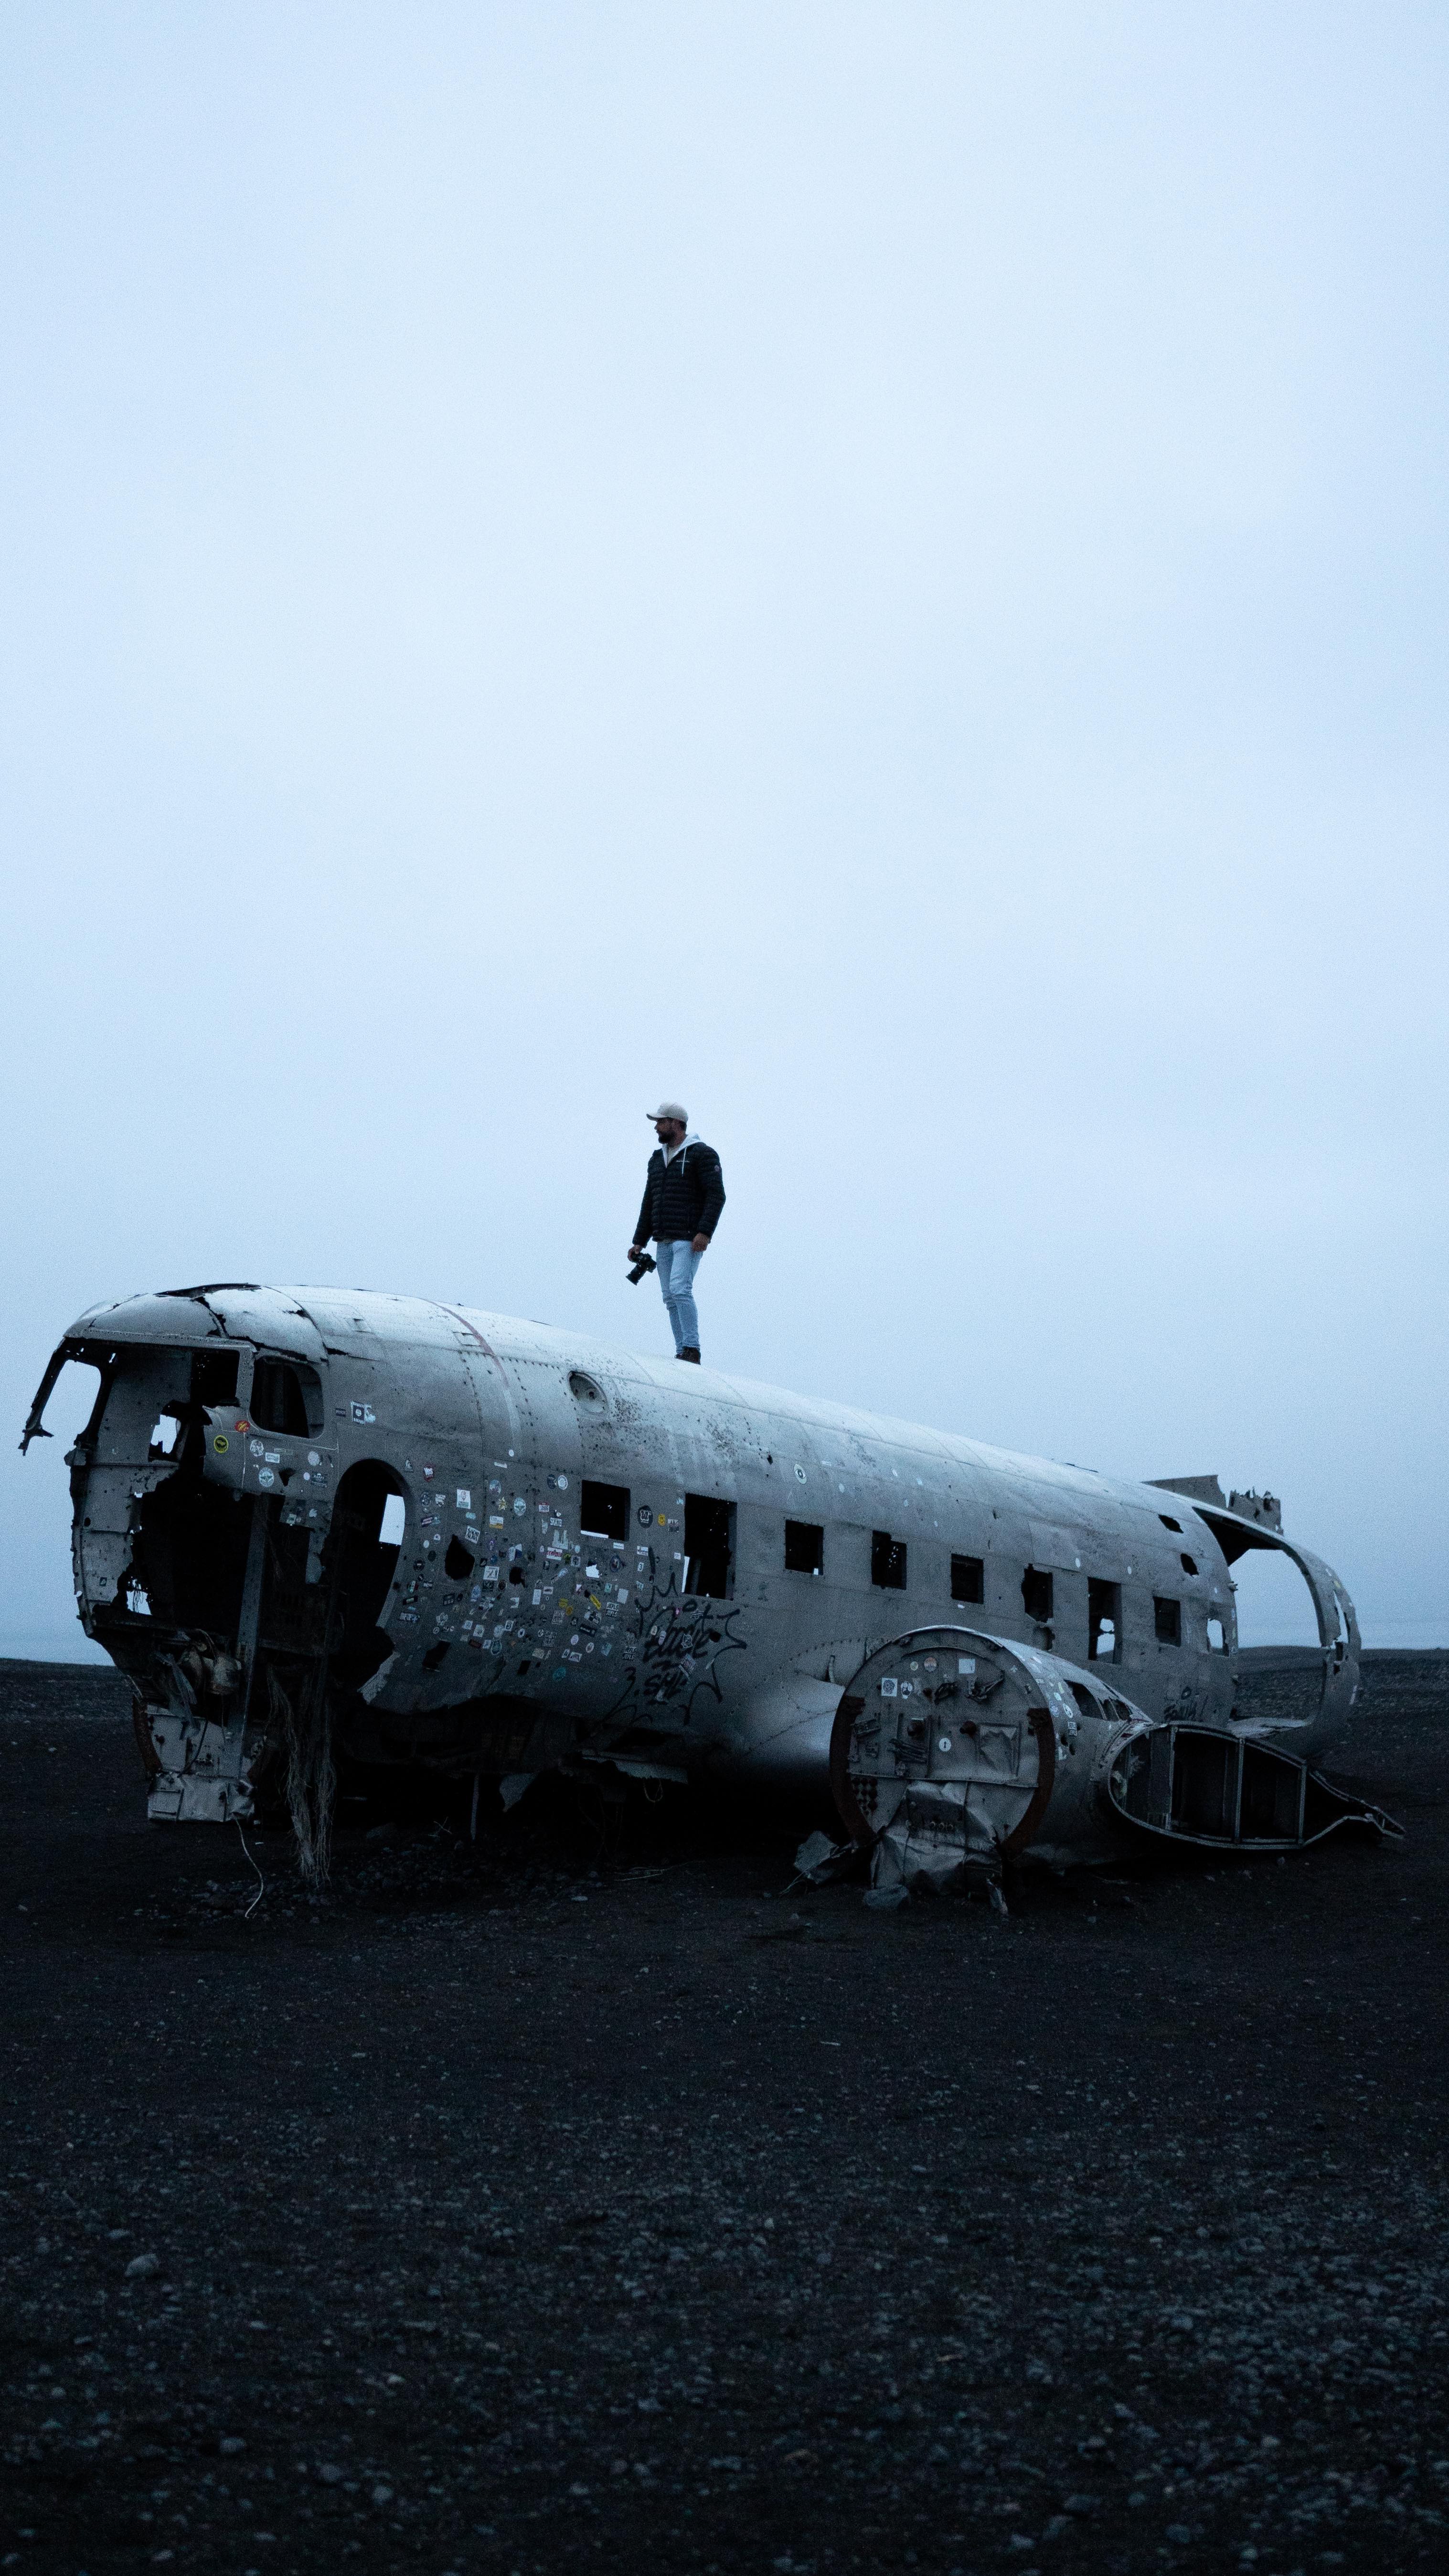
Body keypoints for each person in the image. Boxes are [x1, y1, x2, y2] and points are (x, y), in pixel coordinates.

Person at [628, 1103, 725, 1363]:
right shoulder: (656, 1159)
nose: (656, 1127)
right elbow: (650, 1201)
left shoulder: (702, 1154)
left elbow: (717, 1196)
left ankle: (692, 1349)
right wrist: (639, 1241)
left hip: (688, 1238)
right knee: (670, 1296)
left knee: (681, 1290)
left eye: (661, 1122)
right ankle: (682, 1350)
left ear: (676, 1123)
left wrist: (705, 1232)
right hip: (664, 1238)